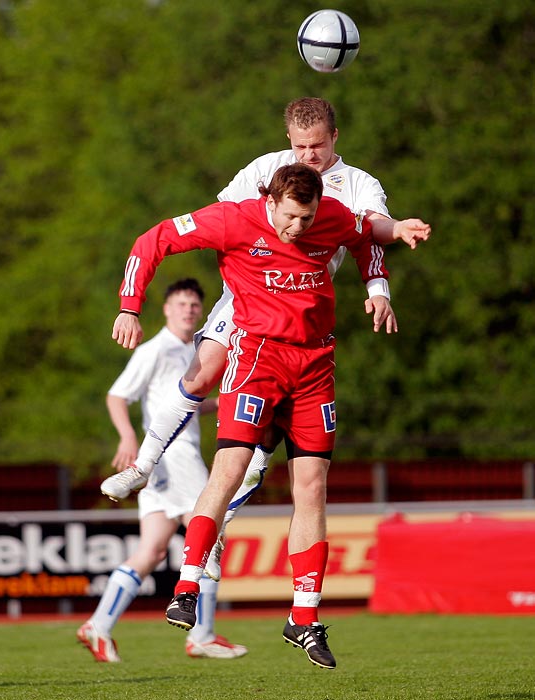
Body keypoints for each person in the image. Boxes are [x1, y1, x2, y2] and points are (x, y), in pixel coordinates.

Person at [100, 97, 431, 581]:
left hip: (301, 320)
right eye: (299, 146)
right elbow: (224, 218)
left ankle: (216, 530)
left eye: (317, 146)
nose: (308, 156)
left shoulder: (359, 185)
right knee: (202, 373)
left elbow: (368, 237)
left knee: (258, 449)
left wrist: (379, 285)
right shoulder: (268, 169)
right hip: (246, 299)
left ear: (335, 138)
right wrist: (131, 305)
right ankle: (144, 466)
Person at [106, 162, 417, 669]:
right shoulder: (232, 219)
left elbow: (366, 232)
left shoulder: (331, 217)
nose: (299, 228)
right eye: (291, 217)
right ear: (270, 201)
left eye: (308, 218)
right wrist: (129, 305)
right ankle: (186, 585)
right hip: (257, 359)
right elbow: (153, 239)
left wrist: (396, 234)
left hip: (316, 366)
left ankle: (304, 617)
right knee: (229, 466)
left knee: (312, 486)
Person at [77, 278, 247, 662]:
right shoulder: (157, 349)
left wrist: (217, 404)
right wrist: (127, 439)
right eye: (181, 303)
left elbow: (181, 401)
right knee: (211, 534)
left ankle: (98, 625)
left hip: (166, 463)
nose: (188, 309)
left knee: (151, 551)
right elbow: (117, 395)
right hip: (175, 457)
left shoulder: (199, 347)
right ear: (167, 308)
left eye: (193, 304)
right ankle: (201, 634)